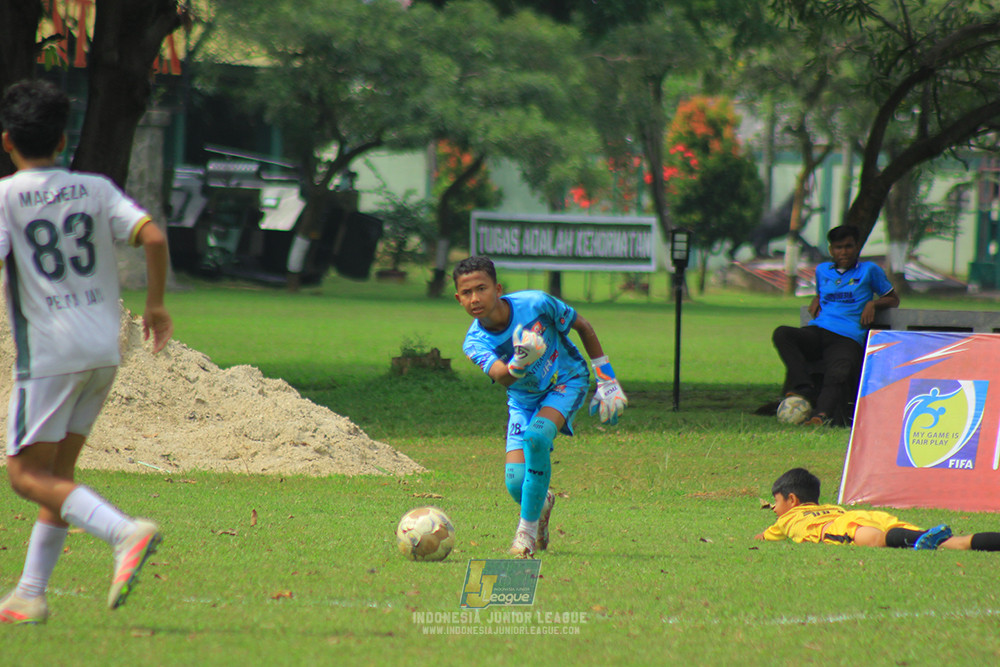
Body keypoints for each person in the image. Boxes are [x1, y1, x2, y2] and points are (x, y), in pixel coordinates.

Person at [0, 80, 173, 625]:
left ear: (7, 141)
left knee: (25, 476)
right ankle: (30, 593)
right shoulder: (94, 188)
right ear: (64, 137)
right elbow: (154, 237)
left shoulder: (6, 198)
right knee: (59, 474)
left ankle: (124, 532)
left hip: (48, 353)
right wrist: (157, 306)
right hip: (103, 347)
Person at [453, 256, 626, 558]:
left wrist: (606, 379)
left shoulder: (535, 303)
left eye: (481, 289)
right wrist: (519, 362)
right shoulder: (474, 341)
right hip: (522, 399)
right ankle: (542, 504)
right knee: (516, 484)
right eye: (466, 293)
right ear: (458, 298)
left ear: (498, 289)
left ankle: (525, 536)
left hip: (566, 381)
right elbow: (501, 377)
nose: (475, 298)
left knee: (537, 437)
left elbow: (582, 326)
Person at [772, 225, 899, 426]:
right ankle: (803, 387)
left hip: (847, 337)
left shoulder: (869, 270)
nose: (844, 252)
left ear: (857, 247)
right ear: (831, 250)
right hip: (818, 331)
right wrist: (818, 297)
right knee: (782, 334)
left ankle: (819, 416)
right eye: (838, 247)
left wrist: (873, 303)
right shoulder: (822, 270)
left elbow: (893, 299)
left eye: (849, 246)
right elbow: (827, 291)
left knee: (838, 371)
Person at [755, 468, 1000, 551]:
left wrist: (761, 536)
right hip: (863, 515)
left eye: (776, 502)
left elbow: (767, 536)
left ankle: (920, 541)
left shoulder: (786, 519)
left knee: (876, 540)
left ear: (792, 500)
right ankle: (966, 541)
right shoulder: (831, 507)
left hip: (838, 527)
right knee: (939, 540)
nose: (774, 508)